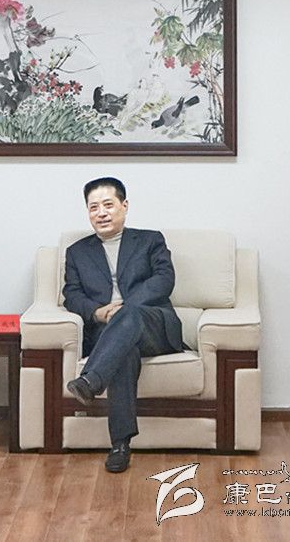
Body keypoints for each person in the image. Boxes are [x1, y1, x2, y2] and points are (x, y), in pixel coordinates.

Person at [63, 177, 185, 473]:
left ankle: (91, 380)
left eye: (108, 204)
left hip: (153, 326)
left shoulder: (150, 240)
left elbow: (164, 280)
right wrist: (97, 312)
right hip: (110, 334)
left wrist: (125, 308)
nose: (101, 213)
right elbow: (72, 295)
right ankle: (120, 444)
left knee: (129, 317)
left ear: (124, 206)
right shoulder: (77, 252)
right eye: (94, 207)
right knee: (123, 353)